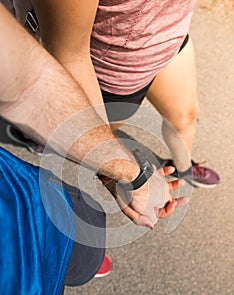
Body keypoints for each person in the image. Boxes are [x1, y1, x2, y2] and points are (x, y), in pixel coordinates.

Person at [0, 4, 187, 295]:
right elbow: (49, 68)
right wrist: (131, 176)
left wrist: (130, 175)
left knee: (84, 250)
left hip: (25, 207)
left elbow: (28, 82)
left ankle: (73, 267)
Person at [4, 0, 220, 189]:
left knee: (186, 117)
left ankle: (183, 170)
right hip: (112, 72)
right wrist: (125, 179)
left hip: (169, 40)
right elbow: (69, 54)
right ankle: (44, 133)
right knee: (96, 135)